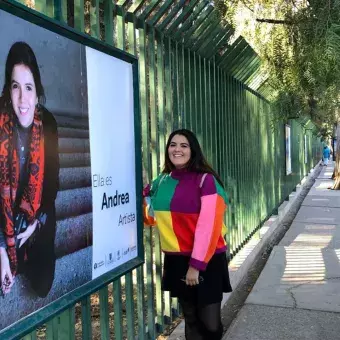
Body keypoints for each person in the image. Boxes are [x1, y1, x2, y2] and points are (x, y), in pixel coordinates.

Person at [143, 129, 232, 340]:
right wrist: (145, 196)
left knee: (210, 325)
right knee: (190, 319)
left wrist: (196, 265)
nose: (177, 149)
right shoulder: (161, 181)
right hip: (176, 259)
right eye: (173, 144)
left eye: (184, 145)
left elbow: (209, 225)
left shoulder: (206, 181)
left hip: (206, 259)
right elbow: (151, 219)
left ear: (193, 150)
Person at [0, 42, 59, 297]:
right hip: (4, 216)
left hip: (35, 214)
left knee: (42, 285)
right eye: (15, 87)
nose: (22, 99)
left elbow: (52, 184)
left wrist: (36, 224)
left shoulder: (48, 124)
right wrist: (2, 247)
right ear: (8, 89)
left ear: (37, 91)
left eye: (28, 87)